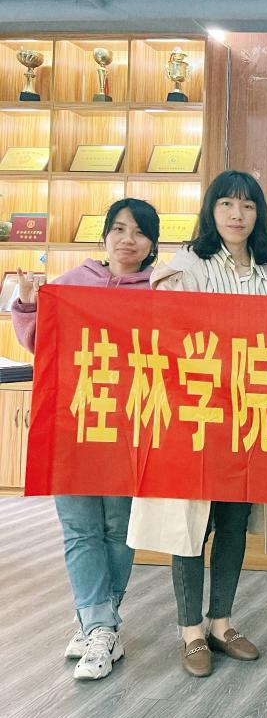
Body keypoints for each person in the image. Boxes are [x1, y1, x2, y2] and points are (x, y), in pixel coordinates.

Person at [126, 170, 267, 677]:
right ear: (211, 211)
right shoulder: (186, 265)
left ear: (259, 214)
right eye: (226, 204)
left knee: (234, 523)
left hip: (247, 419)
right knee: (191, 527)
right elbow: (172, 333)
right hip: (195, 419)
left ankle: (222, 623)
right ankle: (190, 631)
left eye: (247, 205)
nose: (237, 215)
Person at [12, 198, 160, 680]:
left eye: (139, 232)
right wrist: (28, 304)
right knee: (79, 528)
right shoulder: (72, 283)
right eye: (118, 229)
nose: (127, 240)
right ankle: (100, 624)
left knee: (118, 527)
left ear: (152, 243)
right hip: (72, 424)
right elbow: (40, 342)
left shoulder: (161, 291)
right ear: (104, 235)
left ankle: (98, 623)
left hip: (129, 426)